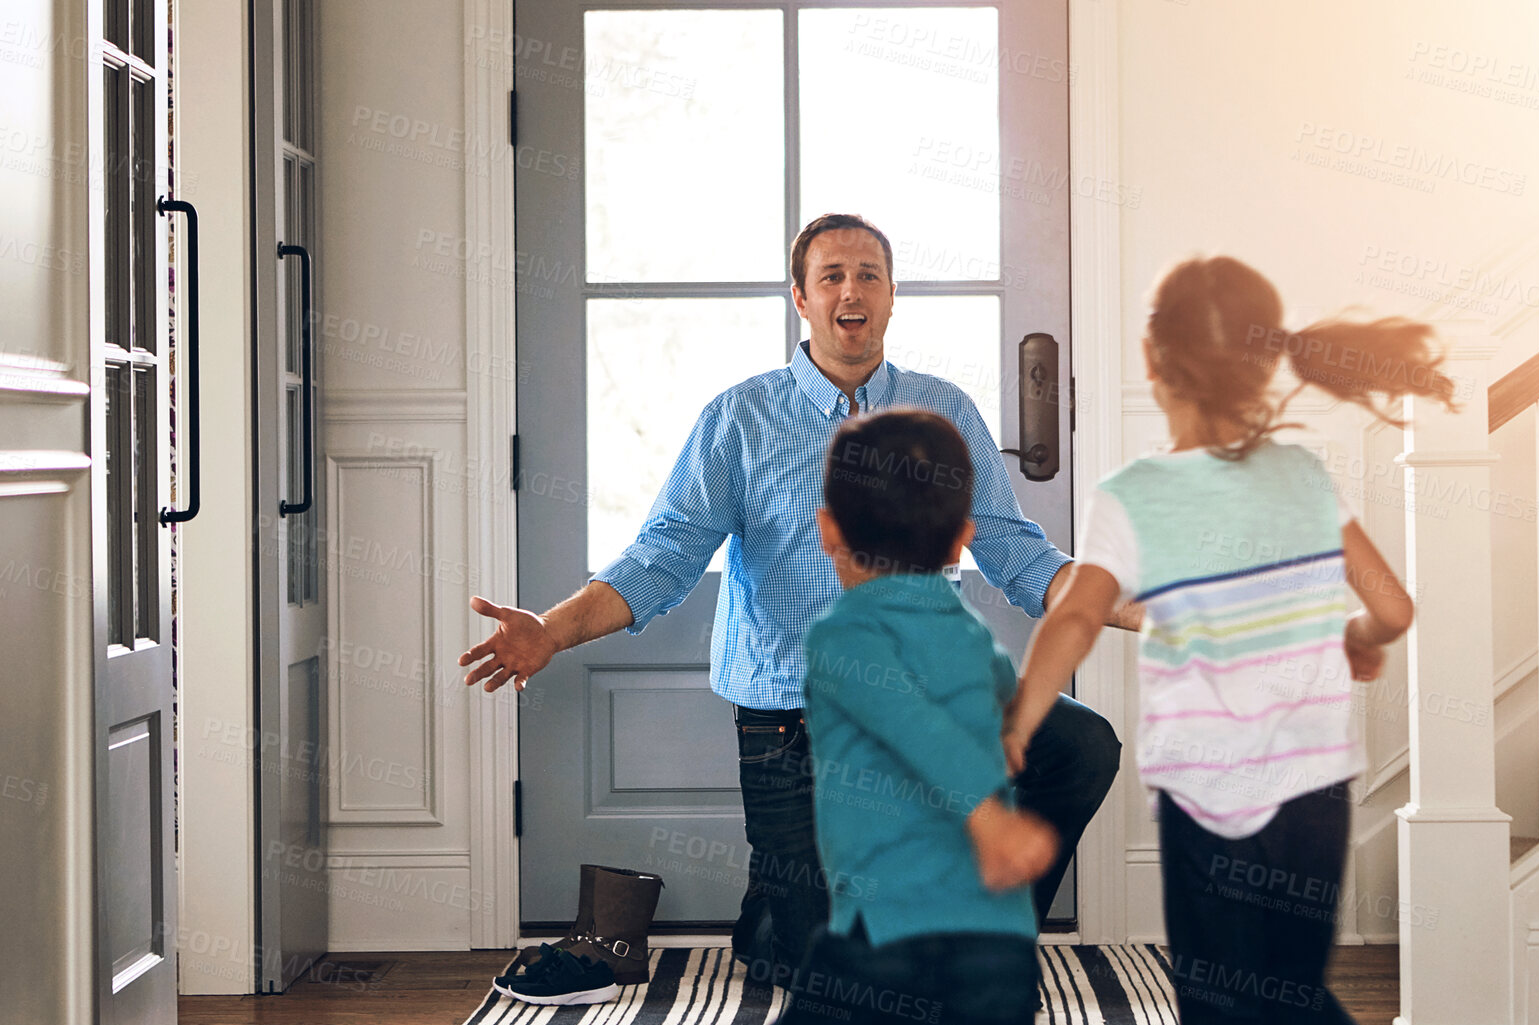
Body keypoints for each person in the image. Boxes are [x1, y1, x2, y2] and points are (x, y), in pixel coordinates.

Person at [459, 213, 1124, 983]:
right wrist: (550, 628)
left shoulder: (944, 412)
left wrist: (1114, 598)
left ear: (891, 296)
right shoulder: (739, 419)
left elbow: (1014, 549)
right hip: (796, 724)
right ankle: (782, 915)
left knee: (1079, 745)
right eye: (831, 276)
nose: (852, 289)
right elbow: (664, 555)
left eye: (868, 274)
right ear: (801, 299)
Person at [1003, 255, 1439, 1025]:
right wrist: (1360, 640)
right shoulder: (1305, 476)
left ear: (1151, 359)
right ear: (1264, 360)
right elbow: (1393, 604)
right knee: (1294, 992)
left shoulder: (1135, 496)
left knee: (1220, 1018)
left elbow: (1078, 617)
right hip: (1316, 793)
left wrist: (1023, 715)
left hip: (1209, 800)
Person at [745, 407, 1055, 1025]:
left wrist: (987, 817)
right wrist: (1010, 734)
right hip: (997, 942)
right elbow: (999, 702)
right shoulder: (971, 634)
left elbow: (915, 726)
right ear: (962, 539)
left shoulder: (840, 635)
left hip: (889, 937)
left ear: (827, 530)